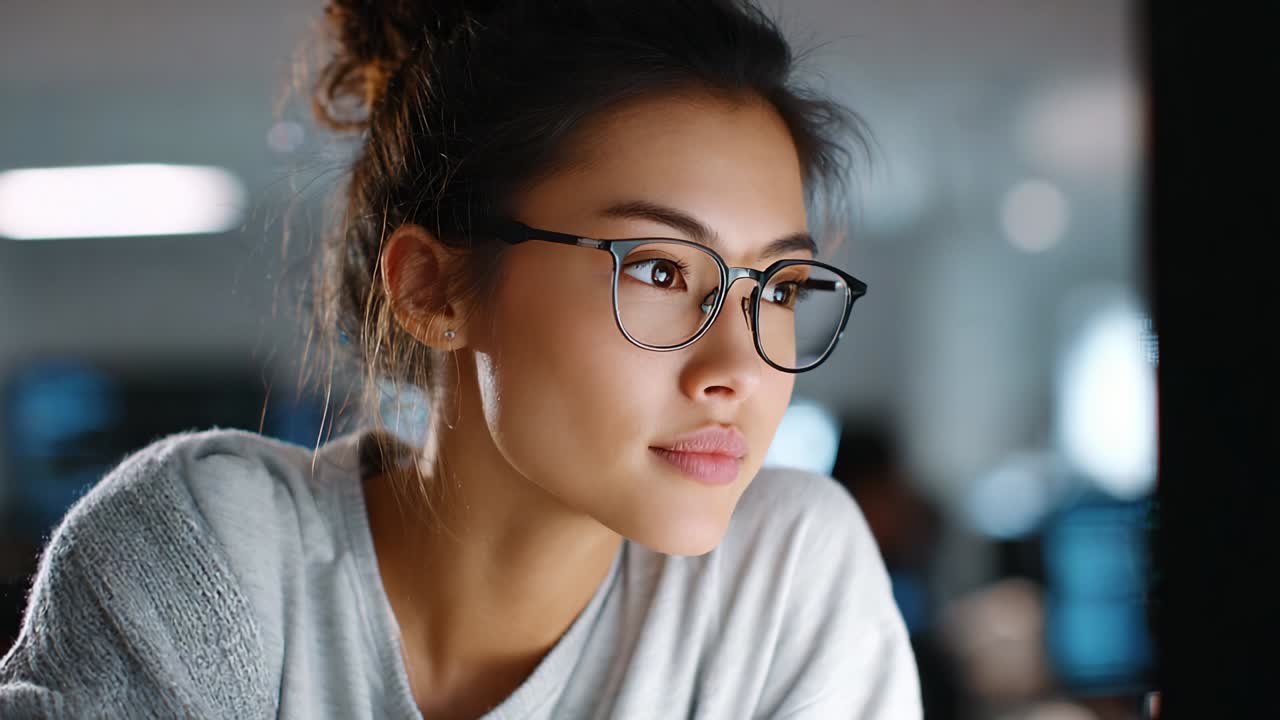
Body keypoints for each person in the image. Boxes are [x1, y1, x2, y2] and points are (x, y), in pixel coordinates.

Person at [0, 1, 921, 717]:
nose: (742, 367)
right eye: (657, 268)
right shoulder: (209, 556)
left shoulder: (784, 573)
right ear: (434, 289)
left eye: (781, 287)